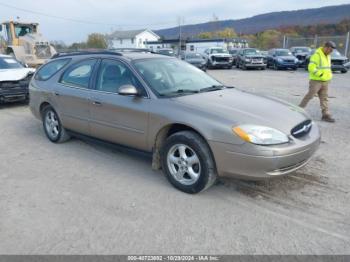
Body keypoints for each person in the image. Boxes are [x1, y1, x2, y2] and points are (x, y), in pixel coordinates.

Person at [299, 41, 336, 123]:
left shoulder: (328, 56)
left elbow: (327, 68)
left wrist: (329, 76)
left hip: (325, 81)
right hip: (316, 81)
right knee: (309, 96)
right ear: (325, 47)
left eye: (332, 51)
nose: (331, 52)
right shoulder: (316, 55)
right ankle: (298, 111)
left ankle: (325, 115)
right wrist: (320, 74)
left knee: (324, 98)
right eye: (330, 50)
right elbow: (311, 67)